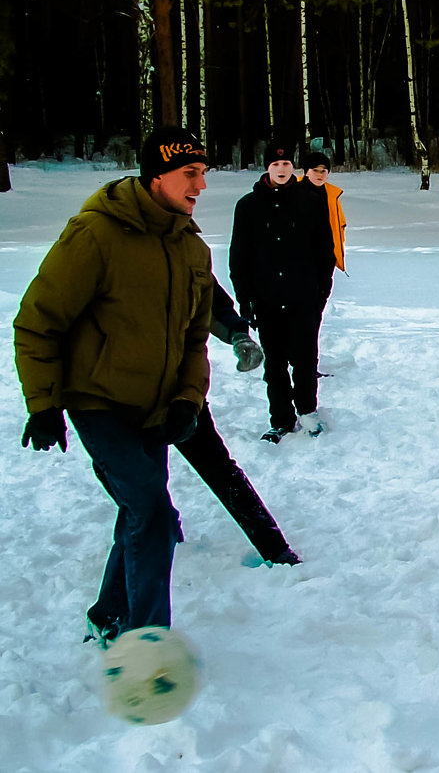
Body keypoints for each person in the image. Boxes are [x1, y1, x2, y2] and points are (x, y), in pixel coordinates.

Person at [14, 125, 213, 646]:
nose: (200, 186)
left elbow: (195, 340)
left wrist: (189, 400)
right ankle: (147, 643)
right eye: (189, 174)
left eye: (203, 174)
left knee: (144, 511)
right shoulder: (96, 233)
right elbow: (38, 319)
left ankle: (107, 614)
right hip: (97, 401)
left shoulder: (192, 250)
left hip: (157, 406)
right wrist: (43, 403)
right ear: (156, 178)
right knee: (150, 509)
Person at [176, 278, 301, 565]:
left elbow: (212, 302)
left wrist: (237, 334)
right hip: (113, 398)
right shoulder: (94, 242)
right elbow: (55, 318)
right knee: (141, 501)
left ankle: (276, 551)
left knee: (219, 468)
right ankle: (112, 607)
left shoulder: (184, 244)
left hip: (180, 386)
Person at [229, 139, 336, 443]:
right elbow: (239, 256)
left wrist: (320, 292)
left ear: (293, 167)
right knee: (274, 363)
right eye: (275, 164)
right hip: (267, 299)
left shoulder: (311, 202)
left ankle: (308, 411)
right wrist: (245, 299)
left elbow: (324, 252)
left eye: (286, 164)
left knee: (304, 360)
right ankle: (281, 420)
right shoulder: (248, 206)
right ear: (267, 168)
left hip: (304, 298)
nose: (281, 169)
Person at [298, 151, 347, 278]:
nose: (320, 175)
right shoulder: (294, 192)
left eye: (323, 171)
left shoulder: (332, 195)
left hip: (325, 256)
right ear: (306, 171)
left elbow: (339, 227)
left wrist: (333, 255)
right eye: (315, 170)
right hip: (299, 257)